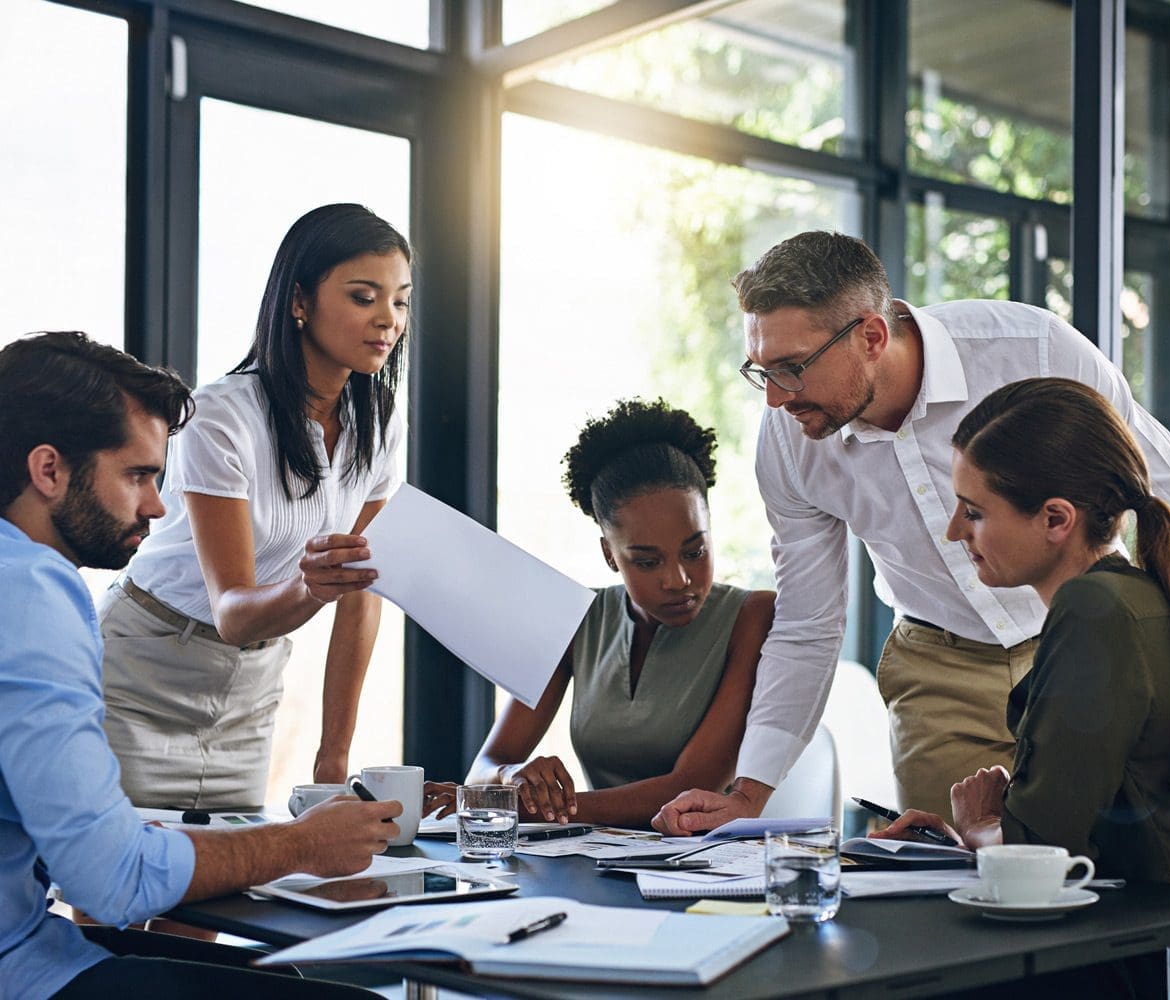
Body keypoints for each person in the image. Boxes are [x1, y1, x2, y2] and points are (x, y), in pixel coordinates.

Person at [653, 231, 1170, 834]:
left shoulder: (1034, 351)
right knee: (950, 884)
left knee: (1112, 866)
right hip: (941, 670)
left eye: (793, 368)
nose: (778, 399)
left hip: (1087, 644)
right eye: (762, 373)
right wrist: (748, 794)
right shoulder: (788, 439)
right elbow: (808, 621)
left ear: (871, 336)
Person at [0, 331, 401, 998]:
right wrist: (299, 845)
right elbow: (113, 879)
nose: (158, 505)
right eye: (138, 475)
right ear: (49, 470)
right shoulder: (35, 593)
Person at [99, 203, 411, 810]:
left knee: (227, 889)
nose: (387, 320)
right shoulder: (221, 415)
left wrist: (334, 755)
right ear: (299, 301)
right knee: (110, 894)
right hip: (144, 668)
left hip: (252, 685)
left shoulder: (379, 419)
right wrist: (312, 588)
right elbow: (234, 611)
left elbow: (361, 592)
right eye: (363, 296)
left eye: (399, 300)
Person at [874, 377, 1170, 884]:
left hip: (1140, 945)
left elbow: (1045, 854)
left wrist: (980, 826)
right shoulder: (1138, 597)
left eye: (975, 512)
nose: (954, 530)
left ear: (1055, 520)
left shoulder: (1094, 610)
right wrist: (991, 824)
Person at [441, 399, 773, 829]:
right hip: (600, 862)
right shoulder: (575, 617)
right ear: (609, 555)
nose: (679, 579)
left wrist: (530, 808)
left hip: (719, 869)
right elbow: (486, 766)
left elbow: (693, 786)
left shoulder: (753, 616)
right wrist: (513, 779)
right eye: (647, 561)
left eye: (695, 551)